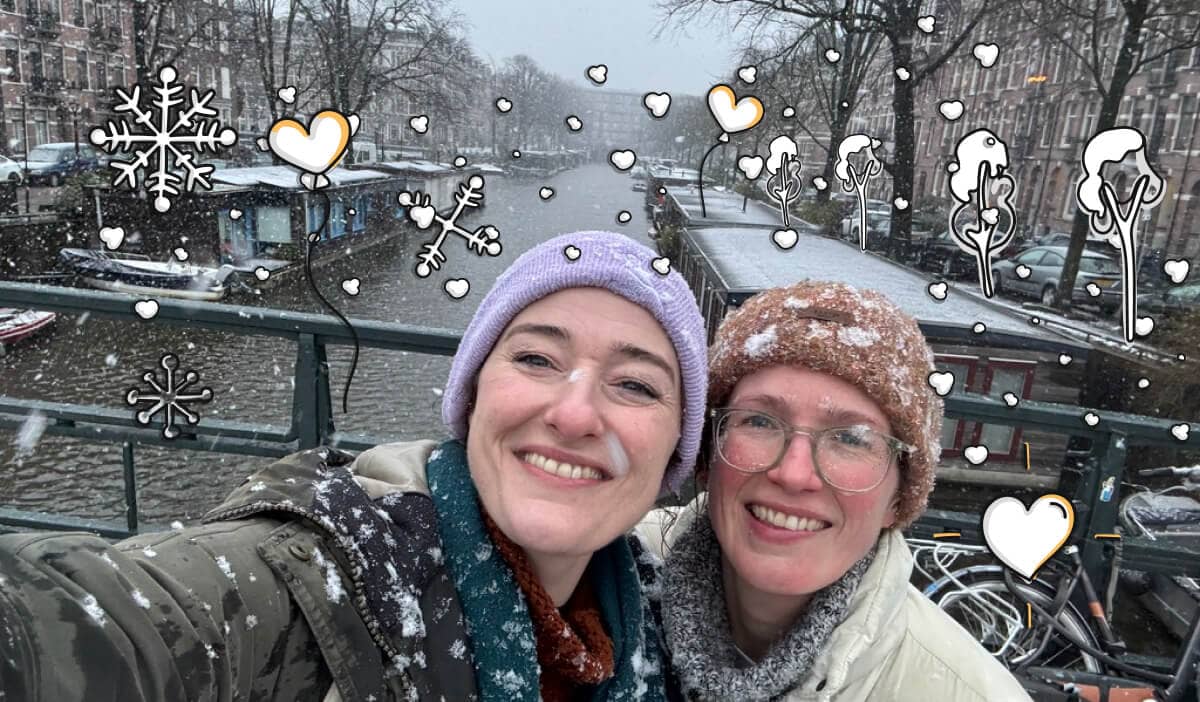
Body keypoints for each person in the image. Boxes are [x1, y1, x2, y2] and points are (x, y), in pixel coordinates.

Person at [0, 231, 709, 702]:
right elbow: (115, 625)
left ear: (678, 451)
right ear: (474, 394)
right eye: (535, 358)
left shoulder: (663, 611)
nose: (576, 414)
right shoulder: (319, 581)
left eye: (637, 385)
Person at [637, 281, 1032, 701]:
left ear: (898, 501)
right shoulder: (593, 570)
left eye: (851, 438)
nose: (794, 474)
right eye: (759, 422)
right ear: (709, 454)